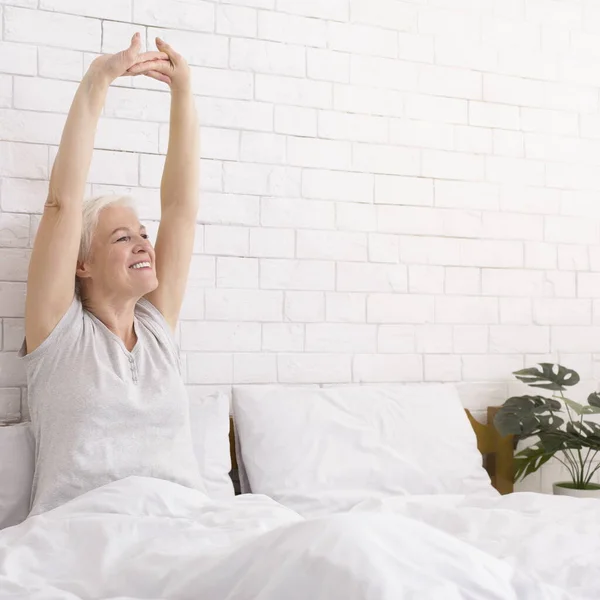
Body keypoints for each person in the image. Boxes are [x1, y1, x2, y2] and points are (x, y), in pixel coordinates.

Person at [19, 33, 204, 517]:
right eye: (122, 238)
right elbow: (63, 203)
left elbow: (181, 210)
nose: (145, 243)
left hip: (187, 523)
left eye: (143, 234)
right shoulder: (59, 335)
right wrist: (97, 82)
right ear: (82, 264)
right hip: (90, 530)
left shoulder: (157, 329)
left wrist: (182, 92)